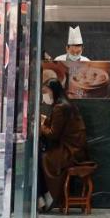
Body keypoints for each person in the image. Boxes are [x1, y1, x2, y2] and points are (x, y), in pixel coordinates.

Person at [39, 78, 89, 211]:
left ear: (53, 91)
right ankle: (45, 195)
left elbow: (53, 134)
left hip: (70, 151)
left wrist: (41, 125)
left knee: (41, 158)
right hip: (75, 148)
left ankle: (48, 194)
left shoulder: (60, 107)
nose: (44, 94)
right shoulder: (66, 104)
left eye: (45, 91)